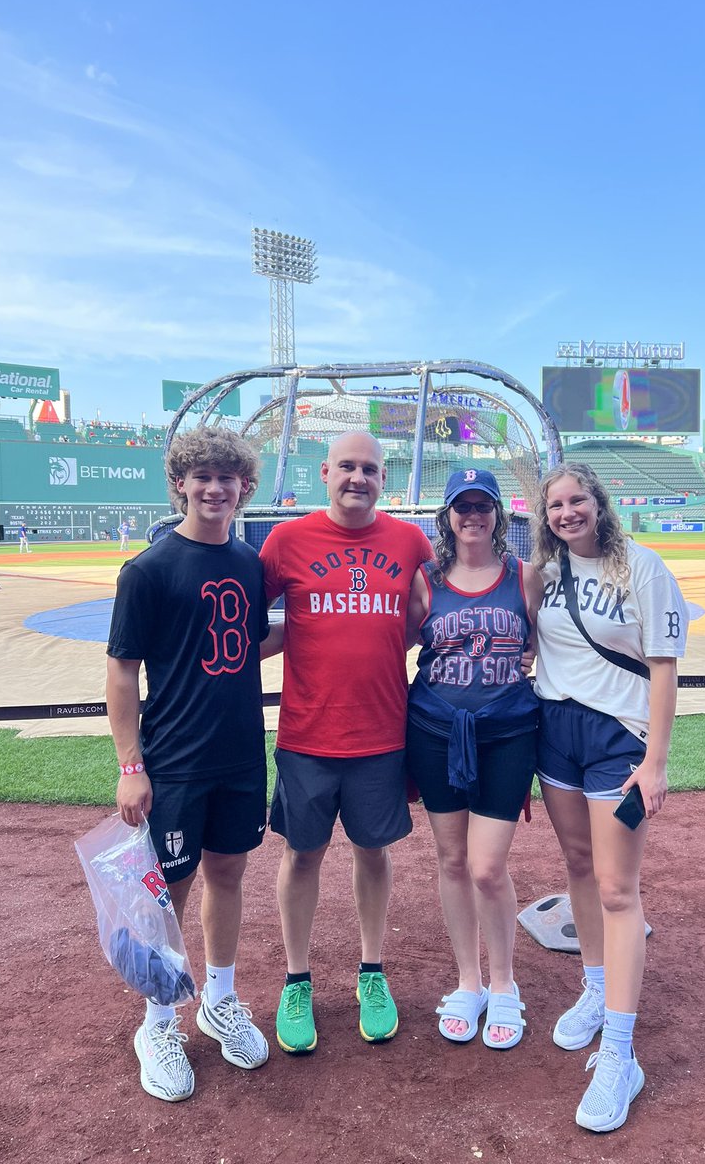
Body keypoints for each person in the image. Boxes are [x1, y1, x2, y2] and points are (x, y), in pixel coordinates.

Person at [106, 425, 270, 1102]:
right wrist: (129, 763)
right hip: (173, 760)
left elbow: (243, 647)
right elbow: (121, 673)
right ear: (179, 483)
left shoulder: (251, 564)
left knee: (228, 874)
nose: (213, 488)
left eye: (226, 478)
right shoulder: (147, 569)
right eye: (200, 476)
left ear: (244, 488)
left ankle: (220, 999)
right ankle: (158, 1020)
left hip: (239, 755)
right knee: (168, 895)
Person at [259, 431, 433, 1054]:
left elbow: (434, 611)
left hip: (381, 733)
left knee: (372, 851)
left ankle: (372, 971)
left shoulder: (409, 541)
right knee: (302, 855)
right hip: (307, 733)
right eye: (348, 467)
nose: (359, 477)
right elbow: (248, 620)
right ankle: (297, 979)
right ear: (325, 472)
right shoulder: (287, 540)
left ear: (383, 478)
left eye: (372, 469)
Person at [531, 462, 689, 1133]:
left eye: (577, 500)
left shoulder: (643, 568)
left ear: (598, 503)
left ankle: (621, 1054)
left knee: (619, 888)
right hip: (554, 727)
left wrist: (655, 761)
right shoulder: (543, 573)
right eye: (555, 505)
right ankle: (595, 989)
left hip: (616, 736)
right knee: (576, 868)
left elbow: (663, 667)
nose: (567, 512)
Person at [405, 469, 542, 1050]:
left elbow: (551, 641)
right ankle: (469, 981)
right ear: (447, 516)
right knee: (452, 859)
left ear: (497, 514)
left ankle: (505, 983)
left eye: (482, 505)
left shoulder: (525, 576)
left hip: (508, 732)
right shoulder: (426, 580)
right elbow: (397, 643)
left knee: (487, 866)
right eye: (461, 506)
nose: (472, 516)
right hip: (435, 730)